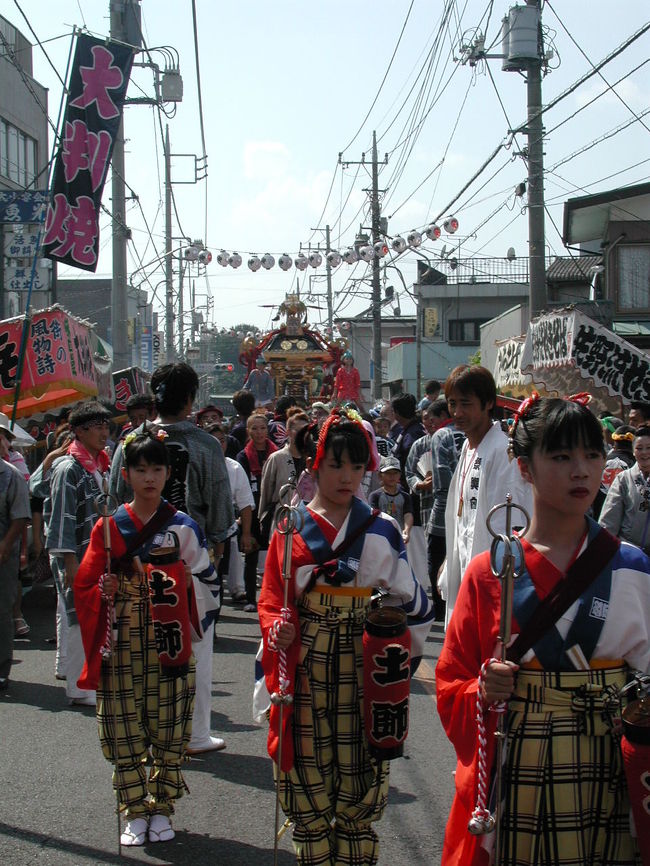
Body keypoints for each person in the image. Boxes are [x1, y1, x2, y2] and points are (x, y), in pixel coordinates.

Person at [436, 394, 650, 866]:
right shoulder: (487, 573)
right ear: (524, 467)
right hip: (520, 762)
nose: (581, 470)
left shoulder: (634, 570)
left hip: (611, 766)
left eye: (592, 455)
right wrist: (483, 690)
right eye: (561, 456)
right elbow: (451, 683)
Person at [257, 408, 434, 866]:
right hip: (306, 661)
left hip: (365, 661)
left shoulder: (382, 528)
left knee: (362, 769)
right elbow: (273, 596)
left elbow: (413, 603)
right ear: (314, 465)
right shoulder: (290, 527)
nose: (347, 476)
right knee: (309, 772)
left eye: (357, 466)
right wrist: (279, 626)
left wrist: (395, 645)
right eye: (336, 465)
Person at [74, 431, 216, 846]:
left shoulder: (184, 527)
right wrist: (105, 589)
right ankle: (135, 809)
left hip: (169, 636)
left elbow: (208, 586)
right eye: (140, 469)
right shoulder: (108, 526)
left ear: (169, 473)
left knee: (170, 723)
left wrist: (181, 582)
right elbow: (84, 585)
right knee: (122, 724)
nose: (149, 477)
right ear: (127, 474)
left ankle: (162, 805)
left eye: (157, 469)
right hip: (122, 638)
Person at [109, 362, 234, 754]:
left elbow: (114, 500)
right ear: (192, 398)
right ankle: (194, 734)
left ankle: (143, 730)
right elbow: (219, 513)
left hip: (135, 562)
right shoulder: (206, 445)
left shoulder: (130, 443)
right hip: (188, 561)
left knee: (138, 645)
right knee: (194, 644)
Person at [438, 366, 532, 628]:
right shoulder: (469, 447)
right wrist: (450, 560)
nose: (457, 413)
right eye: (452, 403)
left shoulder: (502, 451)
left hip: (492, 579)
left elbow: (508, 524)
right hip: (468, 566)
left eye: (466, 404)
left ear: (489, 403)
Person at [34, 400, 112, 705]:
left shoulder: (99, 463)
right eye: (97, 427)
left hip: (93, 553)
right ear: (79, 431)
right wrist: (69, 561)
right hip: (75, 553)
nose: (104, 432)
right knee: (78, 616)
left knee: (88, 615)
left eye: (107, 426)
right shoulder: (69, 467)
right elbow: (62, 517)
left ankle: (83, 678)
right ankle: (79, 687)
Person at [207, 423, 254, 604]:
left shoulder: (234, 467)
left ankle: (237, 588)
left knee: (232, 547)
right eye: (214, 441)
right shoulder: (197, 464)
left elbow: (245, 503)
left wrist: (247, 533)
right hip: (204, 525)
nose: (219, 445)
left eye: (222, 441)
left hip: (229, 523)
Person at [0, 415, 31, 690]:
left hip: (2, 556)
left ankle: (1, 669)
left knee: (1, 611)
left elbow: (20, 516)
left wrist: (7, 545)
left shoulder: (11, 475)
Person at [237, 412, 278, 611]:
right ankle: (251, 599)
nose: (259, 432)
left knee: (275, 556)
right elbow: (241, 486)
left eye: (262, 428)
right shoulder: (243, 456)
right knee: (251, 555)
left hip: (272, 509)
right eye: (254, 428)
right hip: (251, 510)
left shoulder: (276, 453)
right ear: (248, 431)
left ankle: (273, 597)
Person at [258, 409, 310, 535]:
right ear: (288, 432)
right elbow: (266, 493)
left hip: (307, 522)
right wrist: (262, 518)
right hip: (281, 519)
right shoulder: (276, 458)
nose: (301, 435)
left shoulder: (312, 459)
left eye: (305, 431)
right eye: (297, 431)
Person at [600, 425, 650, 553]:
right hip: (628, 553)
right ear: (633, 452)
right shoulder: (624, 478)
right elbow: (609, 519)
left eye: (649, 448)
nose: (644, 452)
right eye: (639, 448)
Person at [369, 455, 413, 545]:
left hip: (399, 536)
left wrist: (407, 530)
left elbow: (408, 514)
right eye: (388, 473)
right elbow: (373, 517)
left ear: (400, 475)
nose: (392, 476)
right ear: (380, 475)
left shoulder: (405, 496)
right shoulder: (375, 496)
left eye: (395, 473)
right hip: (380, 537)